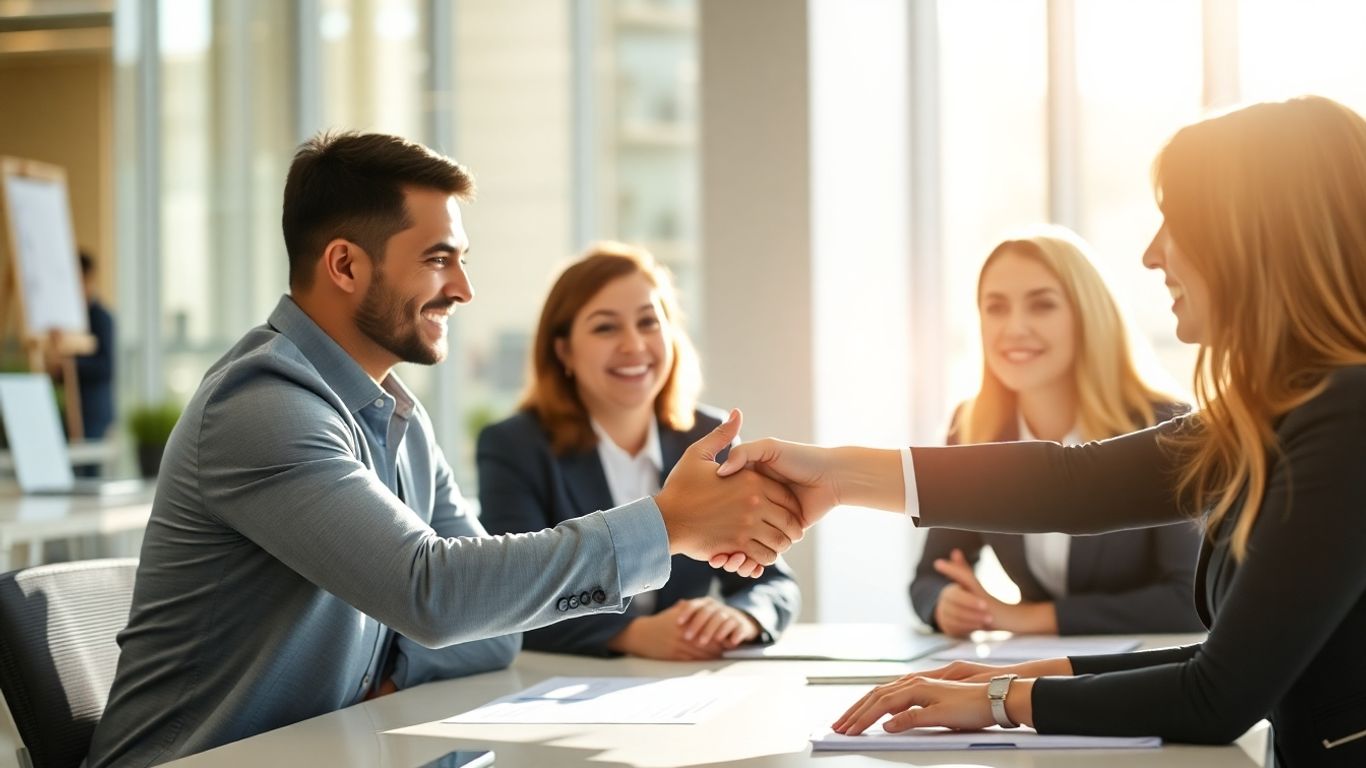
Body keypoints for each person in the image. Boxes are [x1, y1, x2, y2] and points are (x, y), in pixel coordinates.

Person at [86, 133, 805, 767]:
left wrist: (398, 657)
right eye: (438, 260)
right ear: (344, 265)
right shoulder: (263, 408)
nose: (463, 289)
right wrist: (667, 523)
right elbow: (436, 594)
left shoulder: (396, 414)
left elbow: (490, 631)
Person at [717, 96, 1366, 767]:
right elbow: (1077, 484)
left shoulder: (1347, 414)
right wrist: (838, 474)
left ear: (1257, 234)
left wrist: (1005, 699)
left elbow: (1218, 697)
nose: (1151, 255)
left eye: (1176, 222)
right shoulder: (1292, 405)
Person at [479, 243, 800, 659]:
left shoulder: (708, 437)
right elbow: (512, 595)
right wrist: (629, 633)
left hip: (679, 685)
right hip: (566, 684)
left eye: (649, 322)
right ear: (564, 351)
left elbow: (772, 582)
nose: (633, 345)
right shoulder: (514, 447)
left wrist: (743, 618)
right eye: (605, 328)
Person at [910, 227, 1202, 637]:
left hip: (1146, 675)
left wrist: (1027, 618)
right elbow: (930, 575)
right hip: (1034, 670)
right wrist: (945, 604)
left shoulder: (1166, 422)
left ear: (1088, 316)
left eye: (1041, 306)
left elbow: (1189, 599)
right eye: (995, 308)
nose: (1013, 328)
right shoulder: (973, 425)